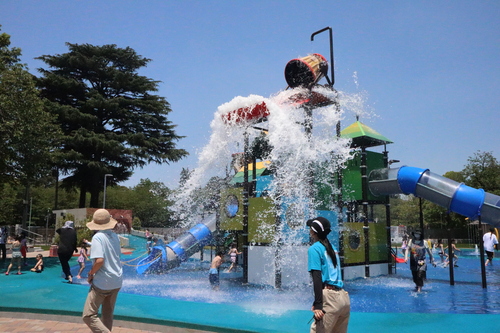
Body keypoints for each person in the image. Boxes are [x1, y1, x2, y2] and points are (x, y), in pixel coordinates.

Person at [82, 209, 123, 333]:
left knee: (88, 315)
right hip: (116, 280)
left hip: (103, 282)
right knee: (107, 314)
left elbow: (99, 261)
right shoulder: (114, 236)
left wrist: (90, 274)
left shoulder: (98, 237)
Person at [307, 217, 350, 333]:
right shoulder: (332, 248)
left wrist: (318, 304)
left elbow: (317, 277)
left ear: (313, 232)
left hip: (330, 298)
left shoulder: (314, 249)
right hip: (343, 298)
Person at [404, 228, 436, 292]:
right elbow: (407, 249)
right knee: (415, 277)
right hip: (413, 261)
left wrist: (432, 261)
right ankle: (417, 284)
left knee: (420, 274)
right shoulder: (411, 241)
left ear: (420, 235)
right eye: (416, 234)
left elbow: (429, 252)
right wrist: (406, 257)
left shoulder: (424, 242)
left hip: (421, 260)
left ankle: (419, 288)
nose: (417, 235)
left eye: (418, 234)